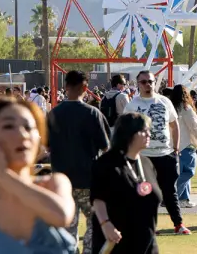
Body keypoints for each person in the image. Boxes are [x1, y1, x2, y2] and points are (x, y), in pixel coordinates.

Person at [0, 96, 76, 253]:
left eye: (29, 127)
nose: (23, 135)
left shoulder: (53, 183)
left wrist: (1, 175)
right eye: (8, 126)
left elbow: (61, 215)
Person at [46, 70, 110, 254]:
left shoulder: (54, 114)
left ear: (65, 87)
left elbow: (47, 147)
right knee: (94, 225)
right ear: (85, 87)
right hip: (89, 180)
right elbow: (105, 147)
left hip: (62, 182)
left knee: (67, 228)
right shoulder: (92, 113)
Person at [125, 70, 188, 235]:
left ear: (155, 83)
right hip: (143, 155)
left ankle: (178, 224)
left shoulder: (164, 101)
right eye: (143, 82)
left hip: (165, 153)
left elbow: (174, 125)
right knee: (144, 192)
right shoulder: (132, 104)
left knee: (169, 191)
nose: (147, 85)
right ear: (138, 84)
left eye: (150, 81)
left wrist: (176, 147)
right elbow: (125, 128)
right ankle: (148, 227)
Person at [90, 113, 164, 254]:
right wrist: (106, 224)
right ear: (129, 134)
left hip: (147, 244)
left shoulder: (147, 163)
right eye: (143, 130)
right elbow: (98, 198)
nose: (149, 134)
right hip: (117, 243)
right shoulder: (107, 163)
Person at [168, 85, 197, 209]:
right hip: (187, 144)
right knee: (189, 172)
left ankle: (184, 199)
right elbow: (195, 127)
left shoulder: (171, 108)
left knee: (181, 173)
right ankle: (172, 195)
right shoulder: (187, 109)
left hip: (173, 145)